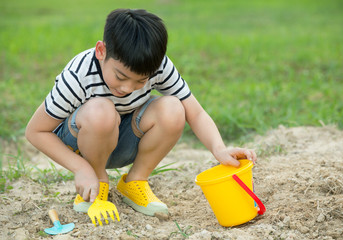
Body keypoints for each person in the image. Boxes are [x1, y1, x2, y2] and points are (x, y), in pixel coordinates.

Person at [25, 9, 257, 216]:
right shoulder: (79, 75)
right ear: (101, 50)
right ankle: (97, 180)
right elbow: (36, 131)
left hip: (124, 140)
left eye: (141, 81)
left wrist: (219, 149)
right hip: (83, 142)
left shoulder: (158, 66)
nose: (127, 88)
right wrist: (80, 167)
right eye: (120, 76)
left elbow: (194, 113)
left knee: (174, 107)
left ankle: (135, 181)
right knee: (101, 110)